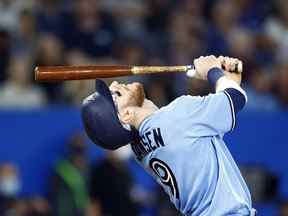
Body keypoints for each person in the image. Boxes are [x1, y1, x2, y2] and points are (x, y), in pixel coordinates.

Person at [81, 55, 256, 215]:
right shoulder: (176, 116)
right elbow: (235, 98)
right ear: (126, 115)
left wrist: (226, 78)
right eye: (116, 95)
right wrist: (212, 70)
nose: (115, 84)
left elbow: (206, 135)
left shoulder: (139, 147)